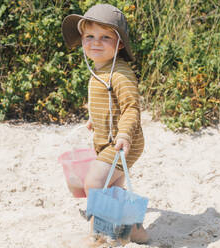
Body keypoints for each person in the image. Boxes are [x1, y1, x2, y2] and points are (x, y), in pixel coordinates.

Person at [62, 4, 148, 244]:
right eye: (90, 36)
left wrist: (125, 136)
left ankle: (98, 233)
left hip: (123, 141)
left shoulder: (120, 74)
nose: (96, 42)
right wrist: (94, 119)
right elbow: (108, 102)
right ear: (82, 40)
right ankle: (136, 231)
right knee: (115, 189)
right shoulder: (100, 69)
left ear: (119, 44)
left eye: (105, 37)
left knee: (94, 182)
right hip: (106, 138)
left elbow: (131, 108)